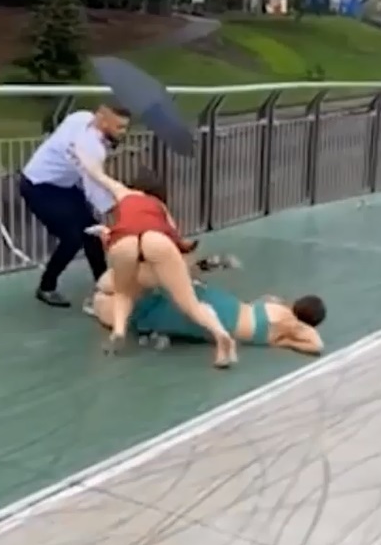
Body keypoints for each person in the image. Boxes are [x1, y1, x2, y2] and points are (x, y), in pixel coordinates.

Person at [72, 149, 237, 368]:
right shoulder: (161, 207)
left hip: (125, 239)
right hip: (156, 238)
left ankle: (119, 331)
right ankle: (220, 334)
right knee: (190, 304)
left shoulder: (123, 193)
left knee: (123, 291)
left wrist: (81, 156)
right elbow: (175, 242)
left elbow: (96, 173)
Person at [19, 105, 131, 308]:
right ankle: (46, 287)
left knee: (93, 232)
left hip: (64, 185)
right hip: (38, 186)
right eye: (119, 127)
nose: (123, 132)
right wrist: (120, 211)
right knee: (73, 238)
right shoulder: (92, 148)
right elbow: (94, 187)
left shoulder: (80, 117)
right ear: (103, 120)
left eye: (125, 127)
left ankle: (104, 285)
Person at [93, 272, 325, 355]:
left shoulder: (278, 308)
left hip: (229, 305)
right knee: (174, 312)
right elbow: (317, 345)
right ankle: (114, 305)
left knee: (180, 294)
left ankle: (119, 289)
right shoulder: (291, 325)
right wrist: (287, 343)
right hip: (226, 321)